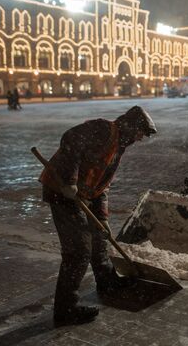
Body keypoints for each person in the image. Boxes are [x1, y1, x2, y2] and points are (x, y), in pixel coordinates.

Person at [39, 106, 157, 326]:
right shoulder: (104, 129)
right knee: (78, 250)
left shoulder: (118, 147)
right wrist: (71, 180)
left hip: (83, 195)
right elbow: (70, 139)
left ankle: (107, 281)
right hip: (61, 191)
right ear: (131, 126)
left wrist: (102, 218)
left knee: (99, 236)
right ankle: (66, 310)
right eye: (141, 133)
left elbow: (102, 186)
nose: (140, 138)